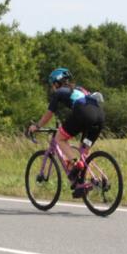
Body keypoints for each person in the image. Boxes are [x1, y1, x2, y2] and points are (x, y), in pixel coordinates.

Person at [27, 68, 105, 197]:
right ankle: (88, 182)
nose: (52, 88)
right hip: (99, 116)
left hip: (83, 112)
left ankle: (75, 164)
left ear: (56, 83)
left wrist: (36, 126)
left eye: (52, 84)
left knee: (60, 139)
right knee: (84, 151)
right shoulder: (80, 89)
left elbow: (48, 115)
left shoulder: (59, 92)